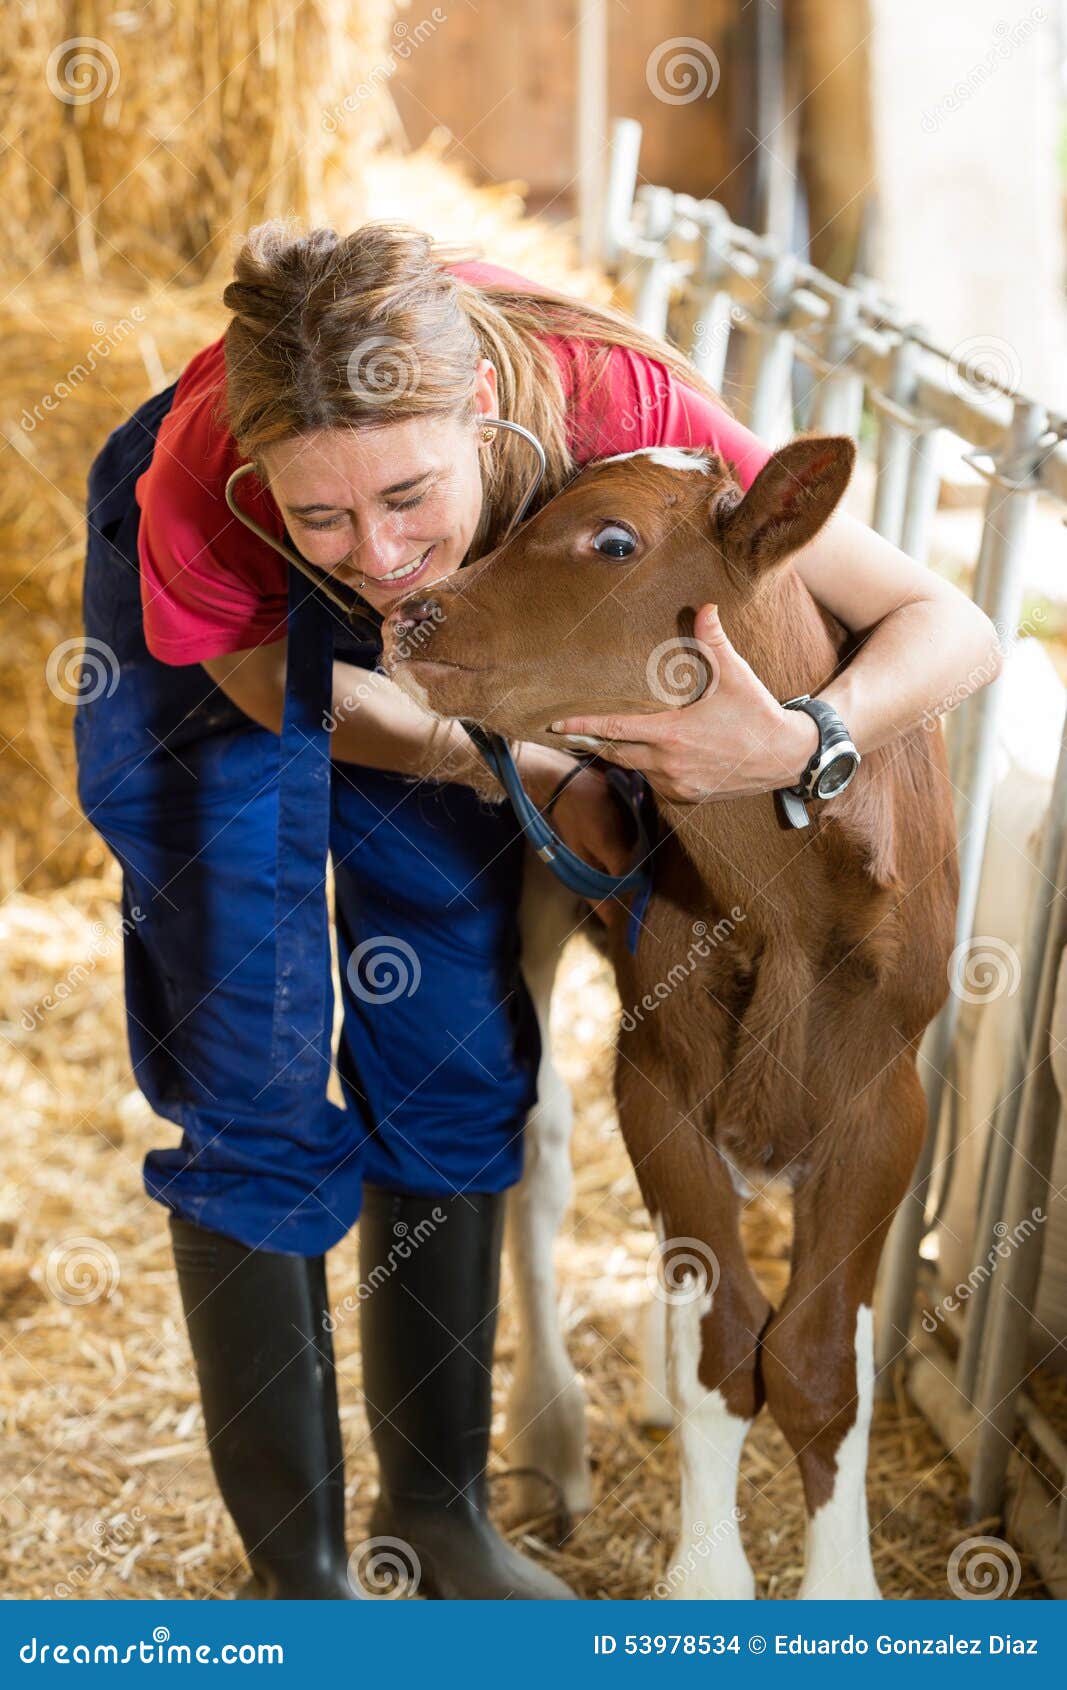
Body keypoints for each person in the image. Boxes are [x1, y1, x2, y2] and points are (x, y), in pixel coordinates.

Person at [75, 221, 1000, 1601]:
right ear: (265, 479)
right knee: (245, 1038)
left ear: (488, 417)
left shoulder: (625, 407)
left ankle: (440, 1512)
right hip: (270, 650)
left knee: (450, 1016)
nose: (377, 553)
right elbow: (291, 696)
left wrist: (802, 742)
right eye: (323, 512)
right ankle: (305, 1574)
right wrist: (514, 760)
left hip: (497, 614)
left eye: (405, 497)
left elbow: (956, 625)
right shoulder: (208, 490)